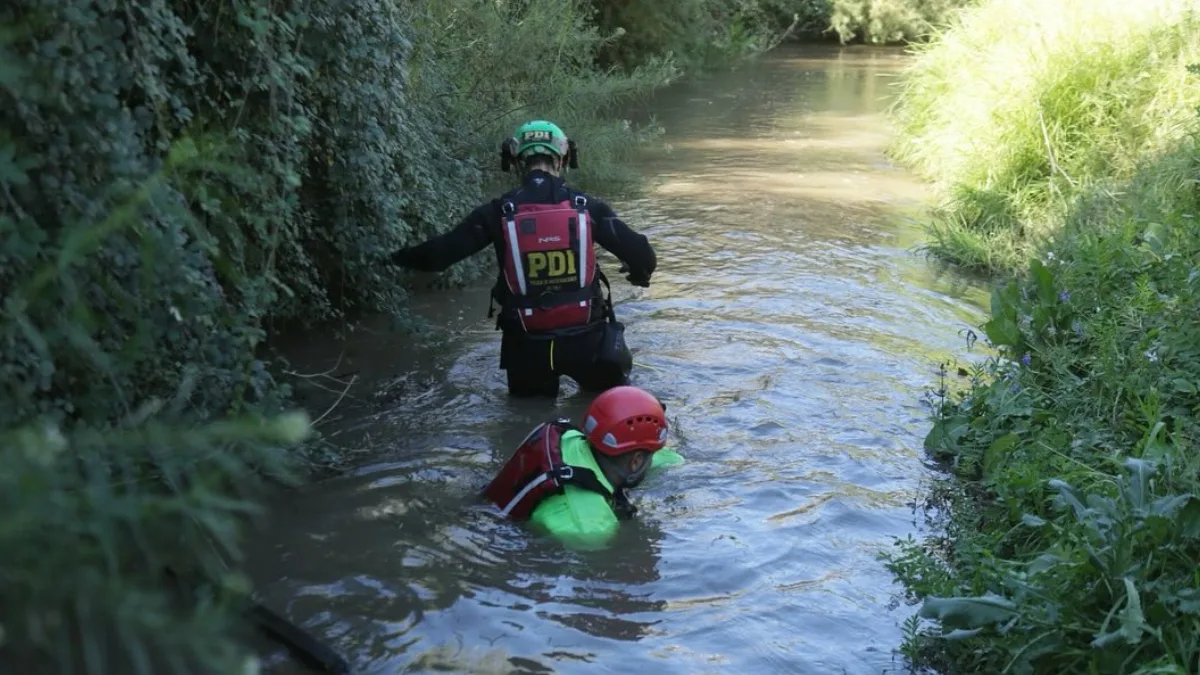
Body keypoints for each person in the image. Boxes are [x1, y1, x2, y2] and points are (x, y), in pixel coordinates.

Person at [388, 120, 658, 398]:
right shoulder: (587, 208)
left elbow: (437, 257)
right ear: (563, 158)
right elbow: (642, 254)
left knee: (530, 427)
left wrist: (391, 258)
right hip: (588, 342)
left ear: (516, 161)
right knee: (605, 413)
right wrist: (639, 273)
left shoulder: (497, 212)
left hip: (526, 348)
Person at [481, 385, 684, 550]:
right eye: (651, 455)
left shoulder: (572, 438)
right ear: (636, 461)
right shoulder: (591, 530)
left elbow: (665, 460)